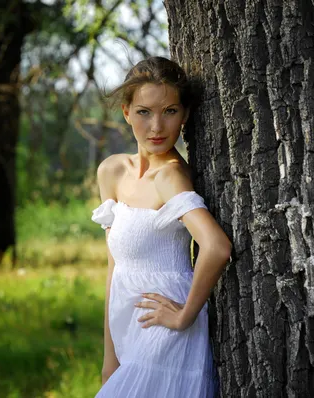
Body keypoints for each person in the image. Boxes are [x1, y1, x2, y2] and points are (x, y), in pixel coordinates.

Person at [91, 56, 232, 397]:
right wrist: (110, 359)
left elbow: (216, 247)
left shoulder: (170, 176)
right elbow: (115, 264)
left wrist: (184, 316)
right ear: (126, 112)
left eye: (170, 111)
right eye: (144, 112)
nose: (157, 127)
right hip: (129, 332)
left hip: (167, 334)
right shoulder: (112, 171)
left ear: (184, 115)